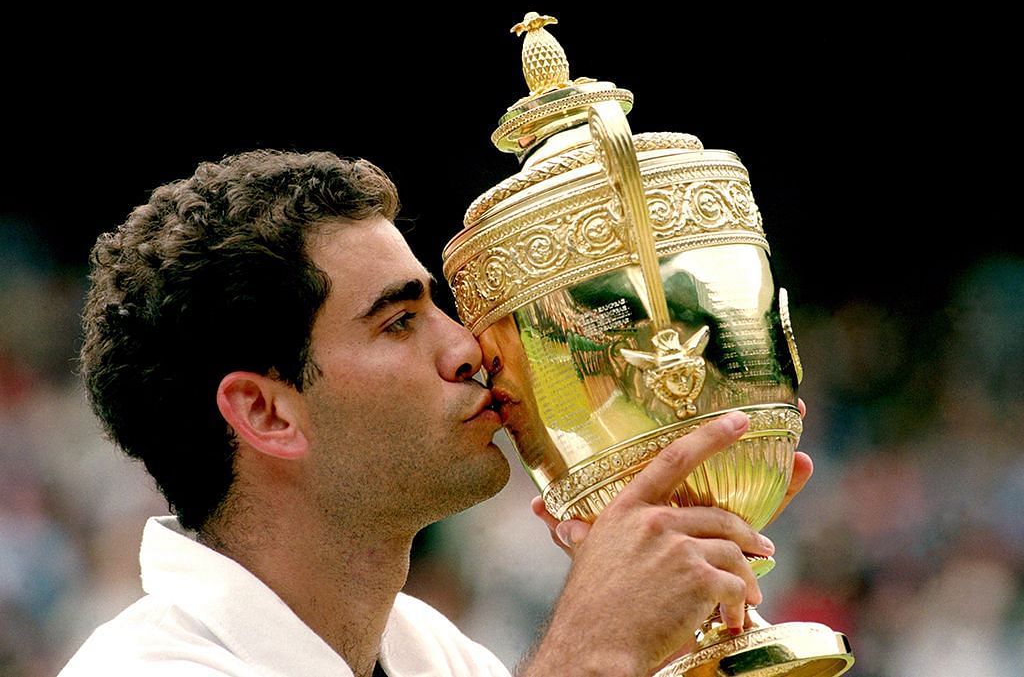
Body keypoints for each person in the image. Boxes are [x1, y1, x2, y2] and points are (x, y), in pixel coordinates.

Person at [62, 149, 810, 677]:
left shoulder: (436, 654)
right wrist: (588, 655)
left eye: (439, 308)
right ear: (266, 411)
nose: (469, 347)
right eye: (398, 322)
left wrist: (679, 651)